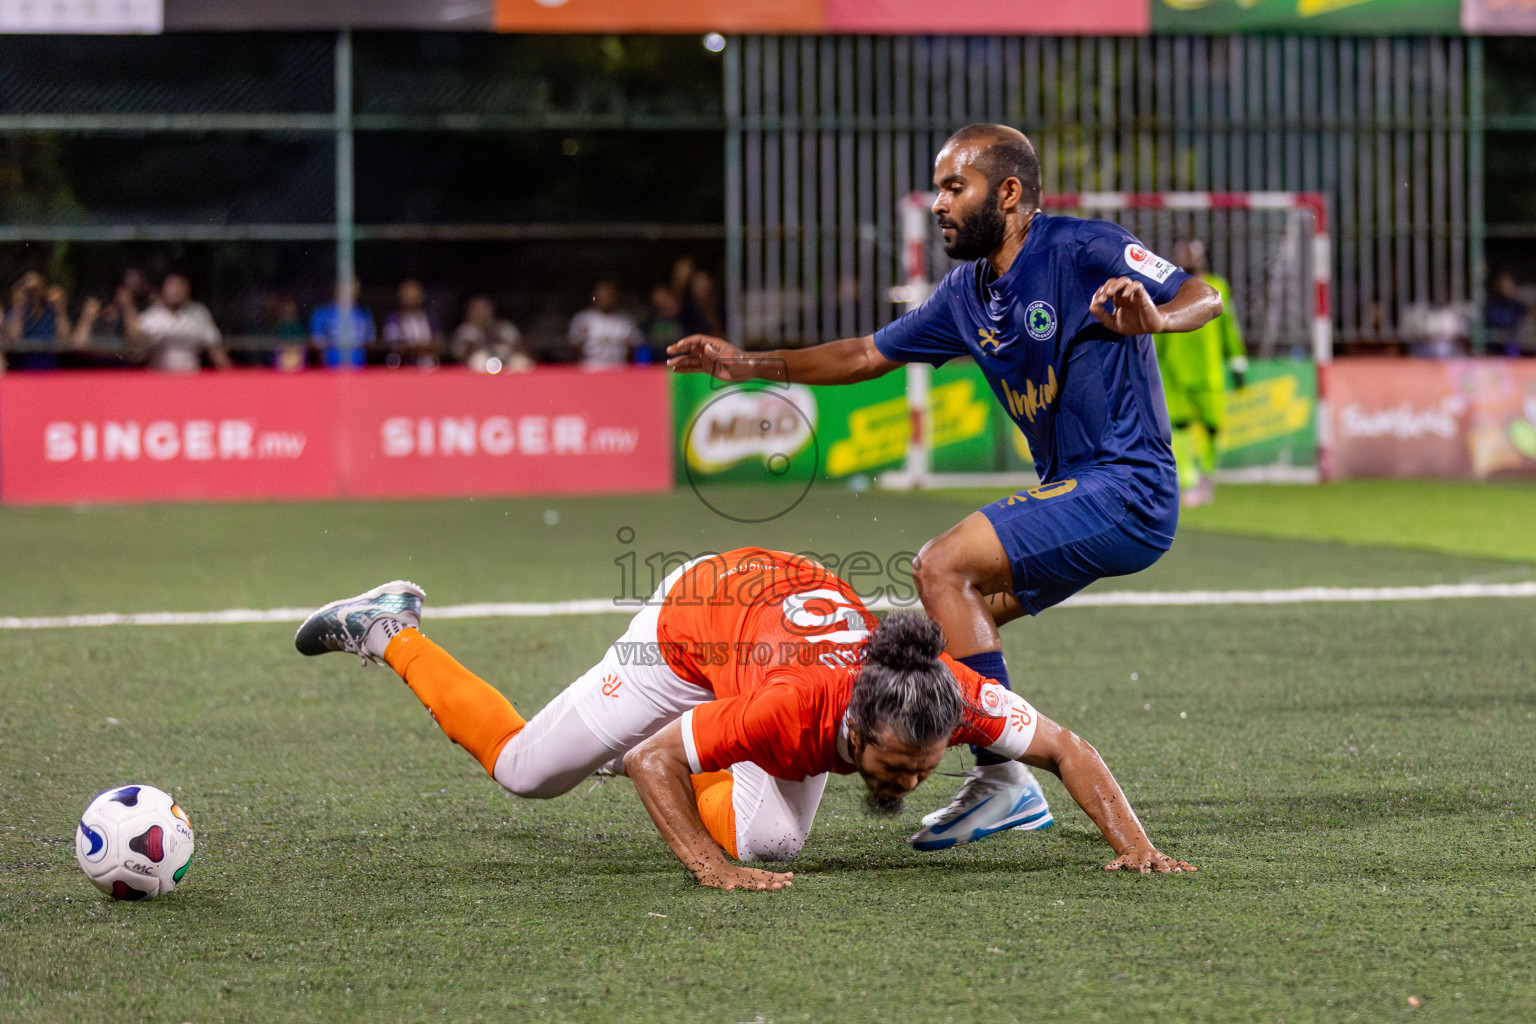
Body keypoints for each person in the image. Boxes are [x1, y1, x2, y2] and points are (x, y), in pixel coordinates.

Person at [667, 124, 1222, 846]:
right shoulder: (967, 294)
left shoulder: (1082, 249)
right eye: (938, 188)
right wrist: (740, 365)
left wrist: (1159, 317)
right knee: (935, 633)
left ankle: (1002, 777)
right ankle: (995, 776)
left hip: (1127, 488)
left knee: (941, 562)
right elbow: (865, 354)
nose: (939, 203)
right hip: (1078, 497)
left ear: (1011, 193)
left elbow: (1201, 295)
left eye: (955, 186)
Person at [294, 548, 1194, 891]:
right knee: (528, 772)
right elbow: (654, 764)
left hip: (769, 627)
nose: (910, 783)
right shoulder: (793, 710)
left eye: (923, 770)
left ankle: (700, 753)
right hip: (688, 628)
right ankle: (387, 629)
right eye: (894, 769)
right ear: (853, 723)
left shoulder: (942, 691)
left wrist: (1135, 843)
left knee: (771, 843)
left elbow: (1067, 747)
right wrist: (704, 868)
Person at [1152, 238, 1248, 508]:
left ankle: (1206, 473)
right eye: (1184, 253)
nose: (1190, 258)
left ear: (1204, 257)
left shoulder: (1218, 287)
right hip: (1174, 370)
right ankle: (1188, 480)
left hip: (1209, 371)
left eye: (1195, 253)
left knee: (1213, 426)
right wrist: (1149, 362)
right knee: (1178, 427)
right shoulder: (1165, 287)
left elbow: (1228, 326)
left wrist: (1237, 360)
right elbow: (1156, 327)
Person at [135, 273, 231, 373]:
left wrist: (230, 377)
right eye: (172, 285)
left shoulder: (199, 313)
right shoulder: (151, 316)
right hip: (159, 378)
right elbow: (136, 342)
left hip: (191, 378)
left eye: (181, 285)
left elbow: (215, 348)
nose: (177, 290)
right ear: (162, 289)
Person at [3, 271, 72, 370]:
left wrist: (60, 309)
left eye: (36, 289)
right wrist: (19, 305)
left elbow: (66, 339)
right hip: (22, 370)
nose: (32, 295)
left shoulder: (51, 311)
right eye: (28, 291)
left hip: (49, 368)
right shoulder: (16, 312)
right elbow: (14, 339)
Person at [450, 295, 531, 373]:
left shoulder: (504, 327)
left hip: (506, 360)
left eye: (484, 309)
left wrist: (497, 336)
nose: (481, 313)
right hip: (481, 364)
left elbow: (522, 349)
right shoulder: (466, 331)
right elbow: (459, 356)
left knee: (521, 361)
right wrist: (475, 340)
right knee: (479, 359)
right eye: (477, 309)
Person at [569, 280, 641, 368]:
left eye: (609, 296)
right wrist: (582, 338)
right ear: (595, 296)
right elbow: (573, 345)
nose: (606, 299)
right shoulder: (583, 318)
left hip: (618, 366)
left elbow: (637, 345)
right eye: (602, 296)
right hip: (591, 365)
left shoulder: (625, 321)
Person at [309, 279, 376, 369]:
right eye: (346, 285)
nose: (351, 290)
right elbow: (316, 344)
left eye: (355, 286)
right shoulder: (321, 314)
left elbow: (371, 343)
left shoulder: (364, 314)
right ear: (336, 288)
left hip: (360, 372)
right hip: (328, 371)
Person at [381, 278, 442, 369]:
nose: (411, 297)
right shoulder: (394, 318)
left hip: (428, 366)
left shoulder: (429, 318)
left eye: (414, 293)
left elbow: (438, 342)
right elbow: (393, 345)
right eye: (407, 293)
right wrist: (418, 348)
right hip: (404, 366)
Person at [636, 284, 686, 365]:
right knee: (643, 351)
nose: (662, 299)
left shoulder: (683, 318)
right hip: (656, 356)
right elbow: (642, 339)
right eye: (658, 296)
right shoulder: (650, 321)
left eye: (665, 296)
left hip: (677, 355)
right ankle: (642, 375)